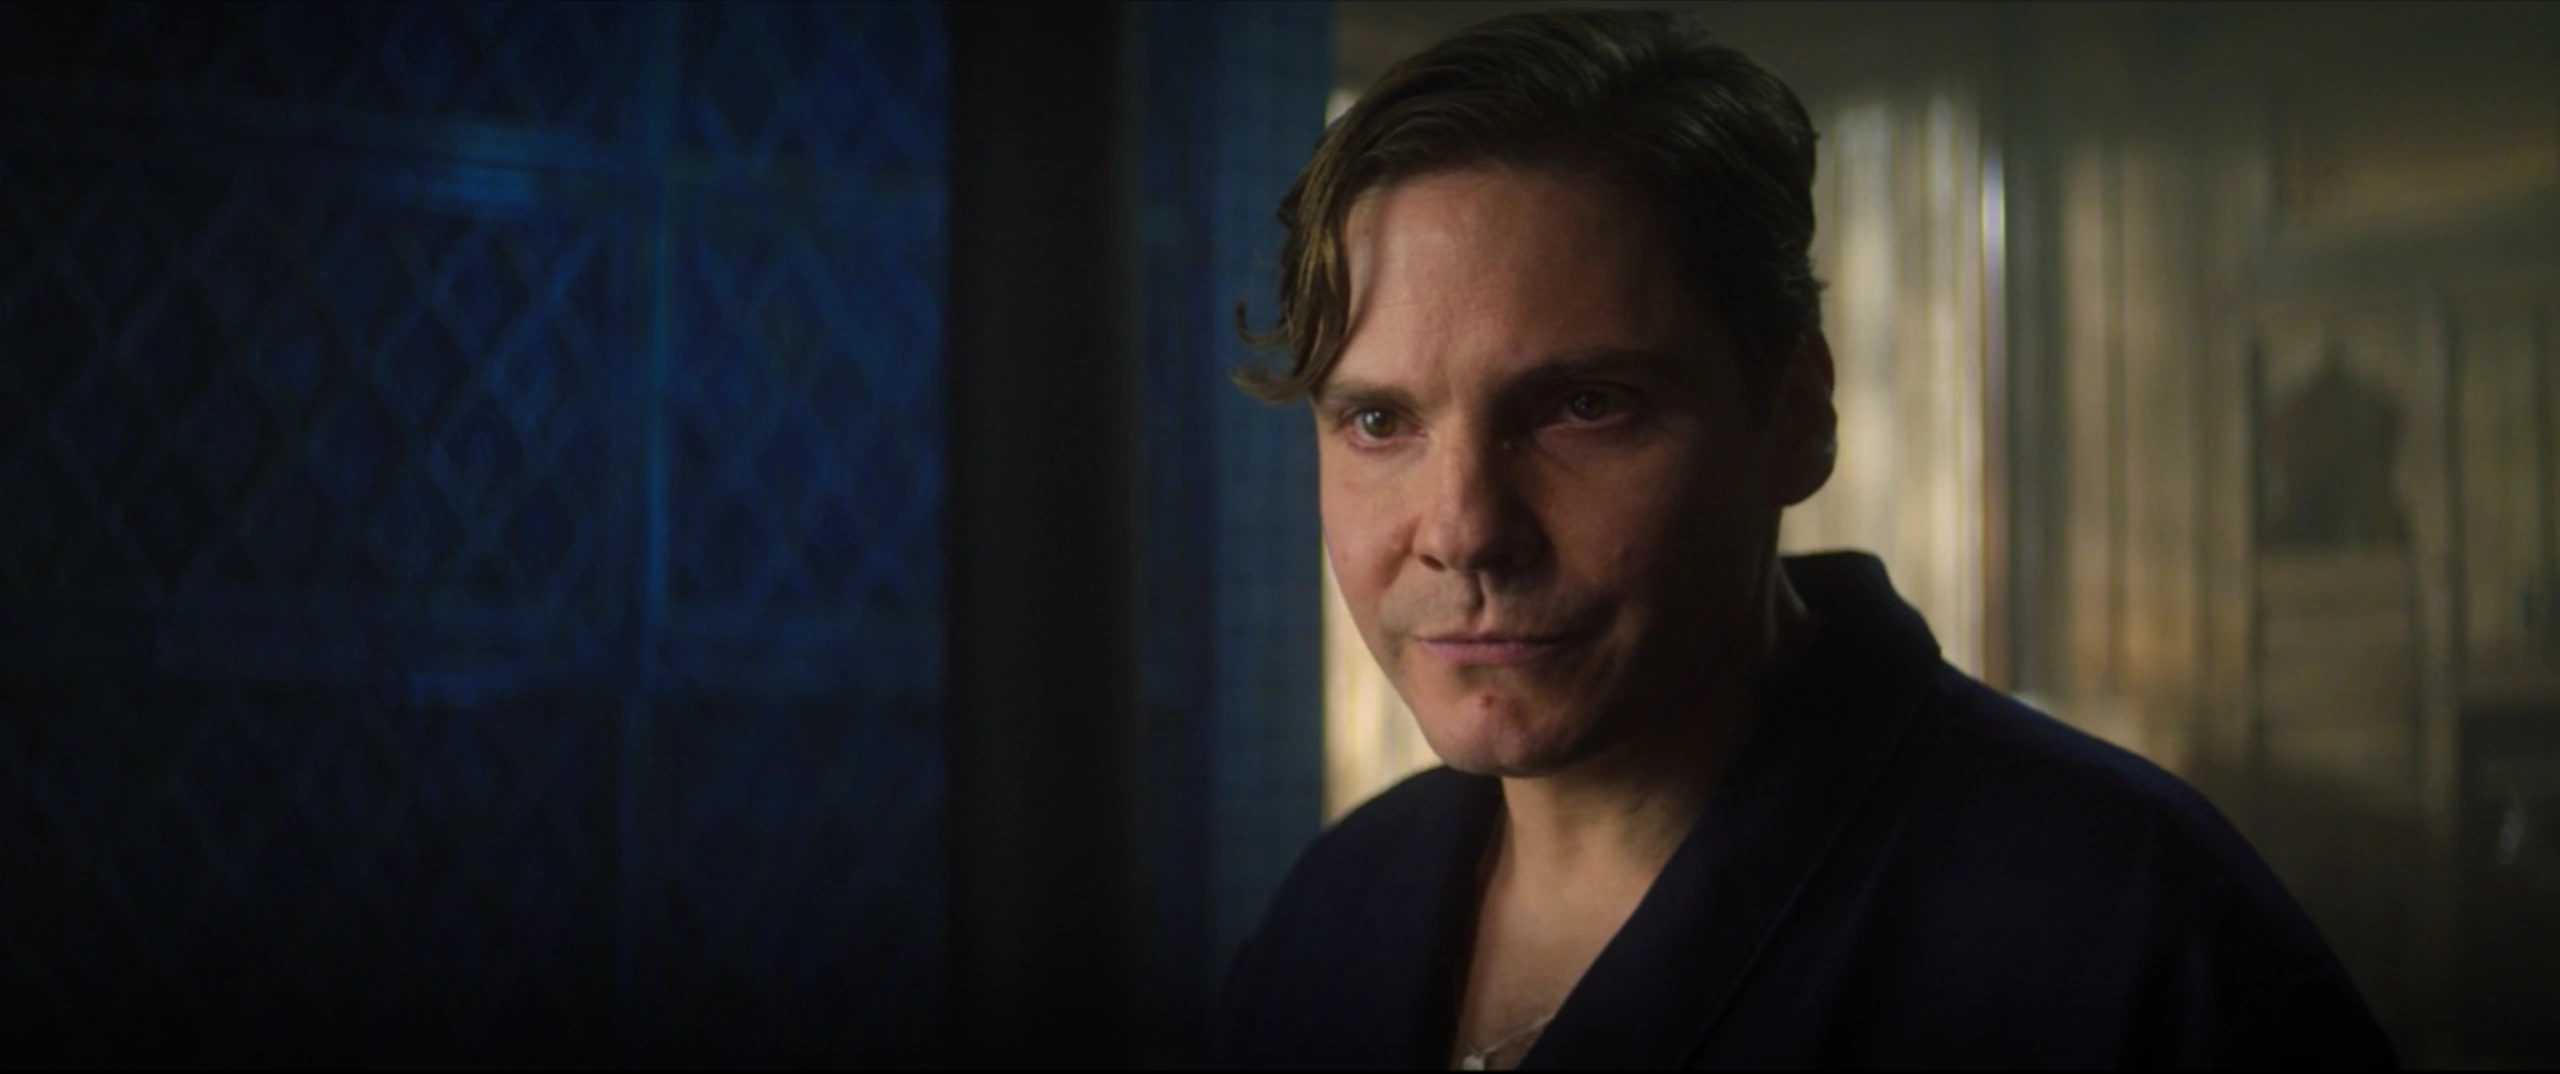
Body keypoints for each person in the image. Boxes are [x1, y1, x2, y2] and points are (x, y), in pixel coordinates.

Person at [1211, 9, 2397, 1070]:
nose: (1465, 529)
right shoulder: (1336, 909)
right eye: (1379, 421)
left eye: (1583, 407)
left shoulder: (2132, 942)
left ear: (1794, 415)